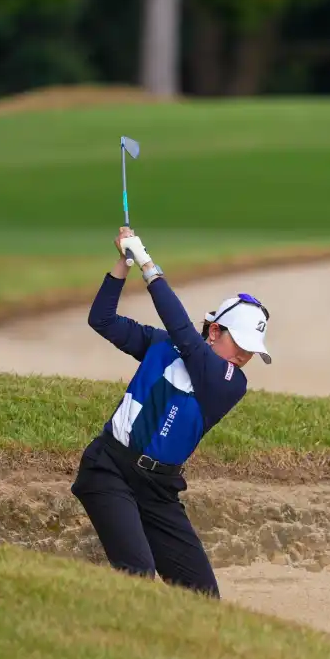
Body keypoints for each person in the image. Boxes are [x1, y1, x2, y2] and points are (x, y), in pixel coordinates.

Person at [69, 225, 272, 599]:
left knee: (201, 594)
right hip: (109, 469)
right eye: (239, 344)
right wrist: (124, 264)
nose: (244, 356)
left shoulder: (229, 382)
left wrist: (148, 263)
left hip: (159, 490)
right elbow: (103, 320)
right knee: (137, 574)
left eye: (251, 351)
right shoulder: (162, 346)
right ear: (214, 331)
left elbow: (185, 336)